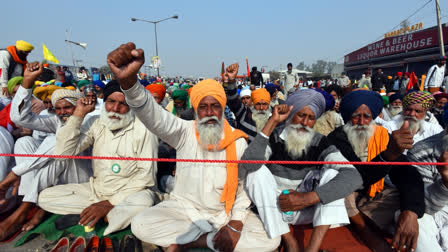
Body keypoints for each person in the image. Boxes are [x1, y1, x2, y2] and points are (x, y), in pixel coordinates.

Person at [107, 42, 278, 252]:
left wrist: (236, 222)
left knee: (271, 240)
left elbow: (242, 188)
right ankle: (212, 240)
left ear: (222, 109)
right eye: (203, 107)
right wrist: (129, 83)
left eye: (215, 106)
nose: (209, 113)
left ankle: (194, 242)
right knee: (141, 224)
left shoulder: (237, 140)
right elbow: (153, 116)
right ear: (195, 109)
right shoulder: (183, 131)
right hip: (184, 210)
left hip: (223, 214)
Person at [240, 89, 363, 252]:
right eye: (300, 115)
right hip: (275, 208)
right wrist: (272, 122)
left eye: (311, 118)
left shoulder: (320, 142)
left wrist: (306, 199)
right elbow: (250, 164)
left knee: (333, 174)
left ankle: (312, 248)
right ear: (290, 115)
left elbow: (354, 177)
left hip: (307, 209)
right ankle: (288, 239)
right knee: (256, 172)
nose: (305, 122)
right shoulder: (275, 137)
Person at [38, 80, 160, 236]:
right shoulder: (96, 122)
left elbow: (146, 177)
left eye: (123, 104)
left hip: (129, 194)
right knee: (45, 197)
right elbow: (63, 153)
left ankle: (104, 215)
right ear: (105, 101)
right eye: (111, 102)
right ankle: (108, 215)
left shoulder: (144, 130)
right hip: (96, 191)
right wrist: (78, 115)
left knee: (144, 202)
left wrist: (108, 203)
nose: (115, 109)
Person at [0, 62, 92, 240]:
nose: (62, 112)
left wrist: (12, 176)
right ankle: (27, 200)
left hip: (84, 177)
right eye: (58, 108)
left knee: (57, 143)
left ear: (78, 106)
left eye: (67, 108)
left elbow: (62, 145)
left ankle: (24, 209)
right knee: (25, 142)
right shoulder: (58, 120)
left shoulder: (89, 120)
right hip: (56, 175)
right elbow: (20, 117)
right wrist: (27, 82)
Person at [328, 90, 425, 252]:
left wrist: (411, 211)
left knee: (404, 194)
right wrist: (388, 156)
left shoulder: (381, 135)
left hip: (373, 194)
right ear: (347, 117)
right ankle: (365, 231)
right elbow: (356, 178)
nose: (361, 122)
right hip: (349, 191)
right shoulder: (336, 138)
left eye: (367, 116)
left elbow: (409, 174)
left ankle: (365, 219)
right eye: (356, 116)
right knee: (340, 191)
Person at [407, 115, 448, 251]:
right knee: (415, 218)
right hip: (437, 211)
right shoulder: (421, 152)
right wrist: (445, 182)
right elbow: (424, 206)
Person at [224, 63, 271, 141]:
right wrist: (231, 80)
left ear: (269, 105)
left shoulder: (273, 120)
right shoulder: (245, 115)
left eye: (265, 104)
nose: (261, 108)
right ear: (253, 103)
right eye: (258, 104)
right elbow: (233, 100)